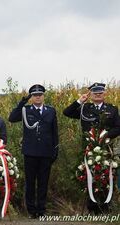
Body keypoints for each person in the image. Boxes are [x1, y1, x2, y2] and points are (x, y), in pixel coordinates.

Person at [63, 82, 120, 214]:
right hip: (88, 149)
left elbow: (118, 127)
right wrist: (79, 101)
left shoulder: (112, 109)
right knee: (89, 176)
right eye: (95, 92)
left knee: (107, 175)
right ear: (91, 95)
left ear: (104, 93)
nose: (98, 94)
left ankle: (106, 207)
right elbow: (67, 112)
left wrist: (105, 135)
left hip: (106, 149)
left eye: (100, 92)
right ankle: (92, 208)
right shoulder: (85, 108)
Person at [8, 84, 59, 218]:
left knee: (43, 182)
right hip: (30, 152)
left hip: (46, 152)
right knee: (30, 183)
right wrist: (22, 102)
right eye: (35, 95)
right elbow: (12, 118)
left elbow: (55, 132)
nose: (37, 97)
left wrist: (55, 149)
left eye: (40, 95)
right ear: (32, 97)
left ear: (43, 96)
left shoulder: (51, 111)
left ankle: (41, 210)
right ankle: (31, 211)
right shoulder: (26, 110)